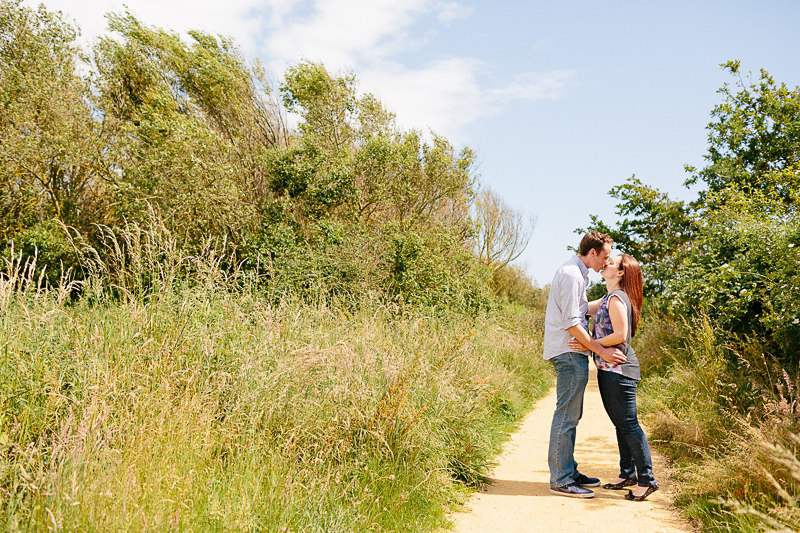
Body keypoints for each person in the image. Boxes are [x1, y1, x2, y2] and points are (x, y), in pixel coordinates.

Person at [568, 253, 659, 501]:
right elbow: (583, 309)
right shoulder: (609, 297)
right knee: (621, 423)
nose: (606, 262)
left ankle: (647, 480)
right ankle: (627, 473)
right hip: (610, 369)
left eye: (612, 261)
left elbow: (620, 334)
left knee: (629, 424)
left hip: (620, 370)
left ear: (620, 273)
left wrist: (592, 344)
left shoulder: (617, 299)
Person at [543, 231, 627, 499]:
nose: (606, 261)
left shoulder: (579, 275)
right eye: (605, 256)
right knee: (567, 415)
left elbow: (581, 311)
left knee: (572, 415)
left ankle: (568, 469)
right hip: (568, 352)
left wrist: (617, 297)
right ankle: (561, 479)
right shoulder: (570, 275)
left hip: (573, 352)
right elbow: (571, 322)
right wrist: (600, 349)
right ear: (592, 253)